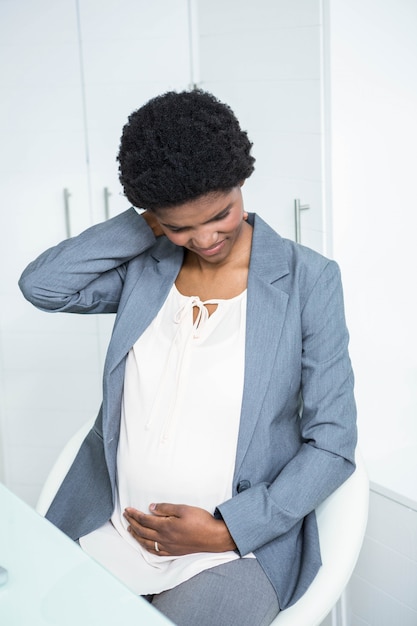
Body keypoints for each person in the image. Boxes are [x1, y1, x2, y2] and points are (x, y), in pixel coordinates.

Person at [19, 90, 357, 626]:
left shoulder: (307, 280)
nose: (205, 239)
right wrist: (147, 221)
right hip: (111, 530)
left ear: (242, 181)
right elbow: (43, 286)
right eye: (180, 226)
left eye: (221, 213)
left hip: (230, 551)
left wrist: (227, 530)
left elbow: (333, 444)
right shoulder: (146, 270)